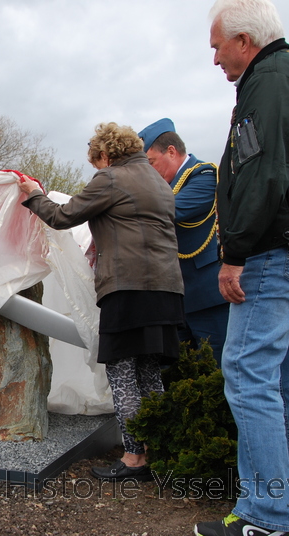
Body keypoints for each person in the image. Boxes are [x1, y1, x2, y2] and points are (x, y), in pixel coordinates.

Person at [194, 1, 289, 535]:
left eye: (217, 45)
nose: (214, 58)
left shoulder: (271, 80)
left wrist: (233, 253)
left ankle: (265, 515)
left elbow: (263, 172)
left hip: (277, 251)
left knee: (246, 372)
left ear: (243, 40)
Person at [17, 122, 184, 481]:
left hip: (128, 289)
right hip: (167, 289)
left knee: (122, 373)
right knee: (150, 373)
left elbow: (63, 217)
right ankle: (158, 450)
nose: (98, 168)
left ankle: (133, 459)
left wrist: (32, 194)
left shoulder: (112, 179)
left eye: (98, 162)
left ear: (107, 155)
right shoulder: (160, 182)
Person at [138, 118, 229, 365]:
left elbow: (170, 211)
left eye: (151, 163)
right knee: (178, 375)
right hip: (174, 301)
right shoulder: (165, 187)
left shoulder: (204, 175)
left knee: (216, 369)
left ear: (171, 151)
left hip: (206, 297)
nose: (149, 172)